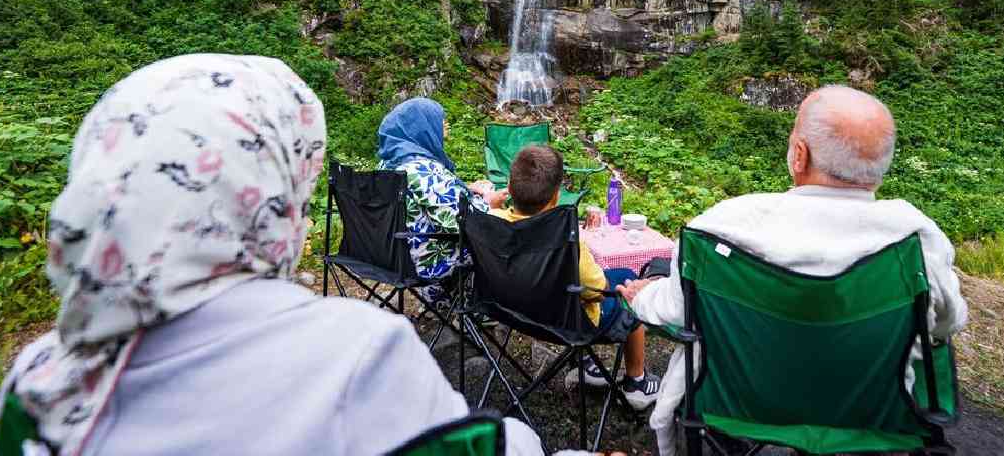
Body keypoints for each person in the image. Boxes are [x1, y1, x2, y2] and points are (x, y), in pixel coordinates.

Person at [0, 55, 543, 456]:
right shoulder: (356, 355)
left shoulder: (34, 386)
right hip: (437, 268)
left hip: (388, 264)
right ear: (268, 190)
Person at [618, 85, 969, 455]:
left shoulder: (721, 227)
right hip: (870, 414)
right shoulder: (916, 239)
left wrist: (642, 296)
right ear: (880, 168)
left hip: (739, 404)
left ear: (798, 155)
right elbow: (947, 323)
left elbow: (675, 311)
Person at [491, 145, 660, 411]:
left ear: (509, 187)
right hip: (567, 322)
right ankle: (636, 381)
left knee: (570, 287)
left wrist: (492, 206)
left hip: (513, 309)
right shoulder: (567, 242)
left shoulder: (492, 222)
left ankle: (585, 364)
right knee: (627, 282)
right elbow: (596, 290)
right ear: (556, 197)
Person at [377, 98, 506, 303]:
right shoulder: (424, 169)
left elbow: (423, 200)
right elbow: (460, 223)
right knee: (501, 236)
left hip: (390, 256)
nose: (445, 123)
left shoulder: (389, 164)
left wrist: (465, 189)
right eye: (438, 119)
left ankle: (443, 298)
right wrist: (490, 201)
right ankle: (481, 307)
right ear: (420, 126)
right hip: (426, 262)